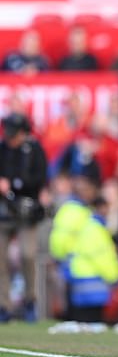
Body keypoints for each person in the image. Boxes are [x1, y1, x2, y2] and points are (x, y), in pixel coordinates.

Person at [0, 113, 47, 322]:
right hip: (3, 210)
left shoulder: (34, 150)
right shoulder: (2, 149)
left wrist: (14, 184)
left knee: (28, 255)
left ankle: (30, 300)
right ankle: (4, 305)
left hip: (27, 211)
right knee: (0, 259)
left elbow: (40, 179)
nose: (10, 138)